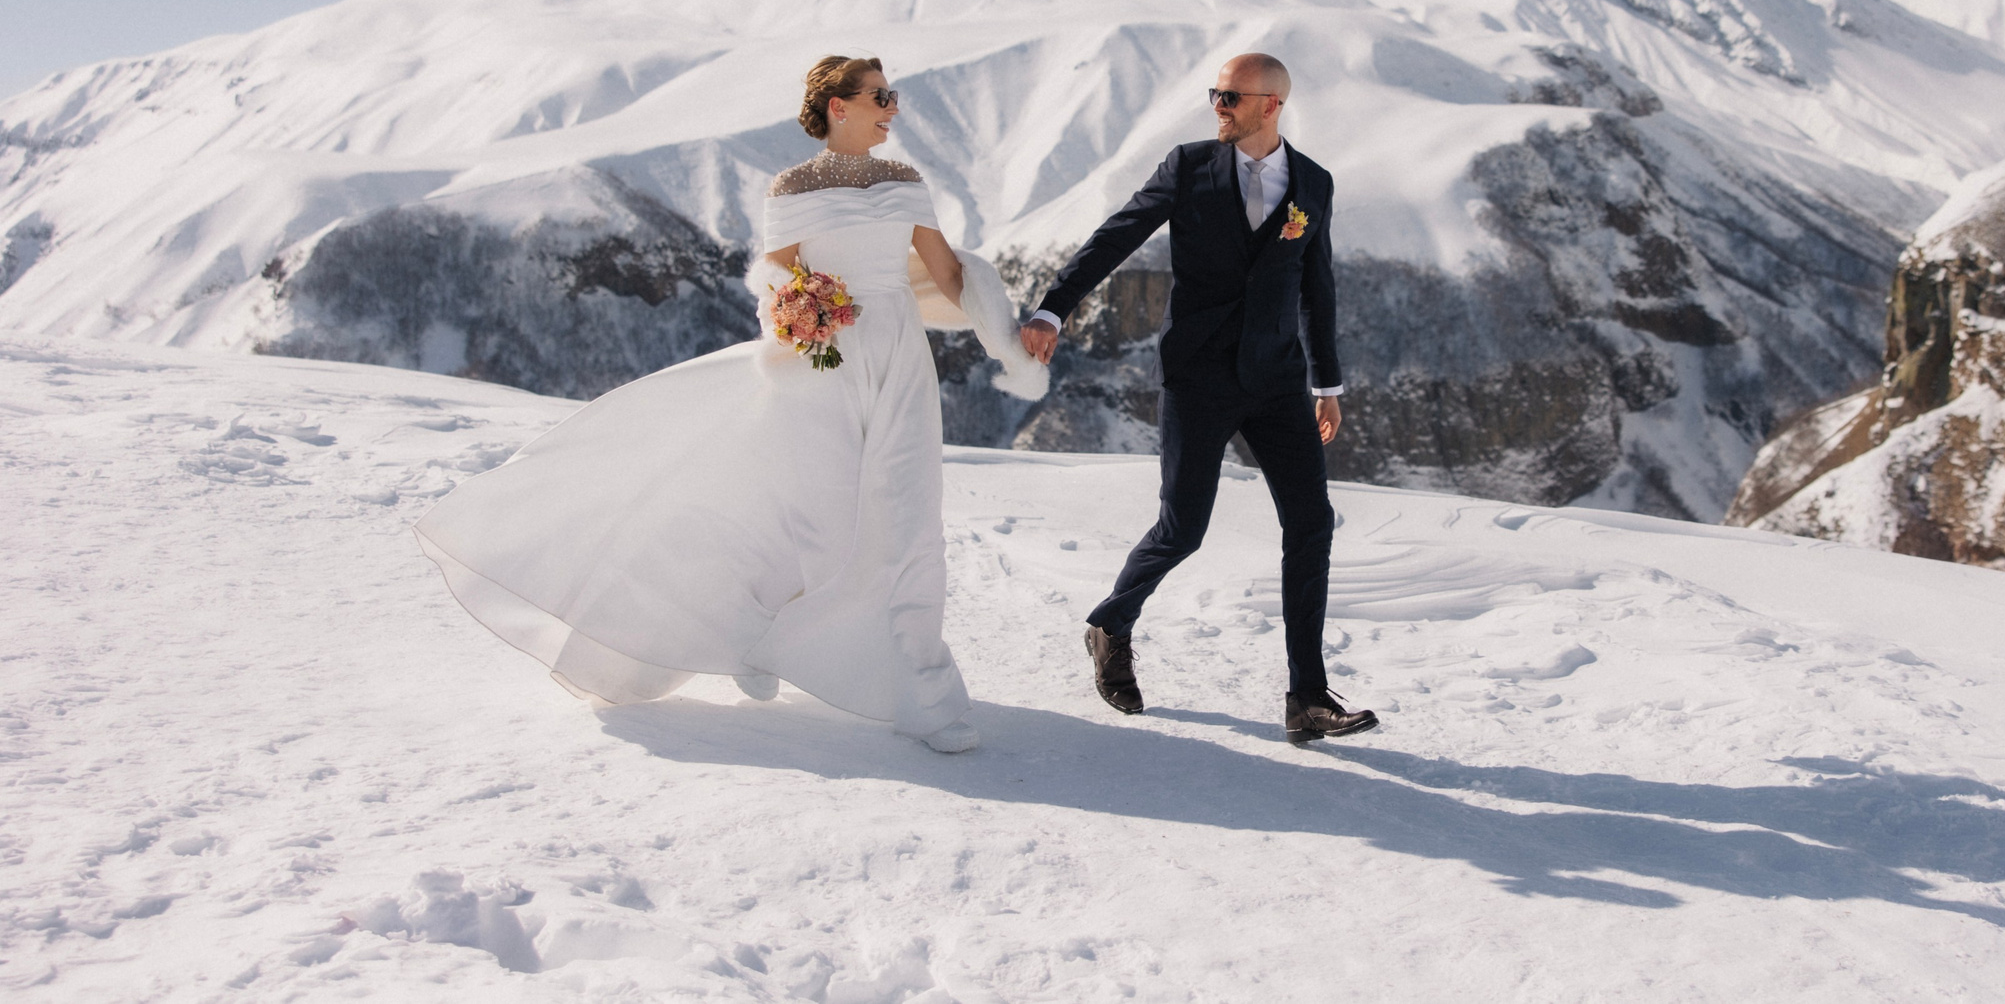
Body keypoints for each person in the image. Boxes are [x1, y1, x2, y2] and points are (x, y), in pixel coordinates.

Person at [416, 55, 1044, 754]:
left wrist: (1009, 346)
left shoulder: (905, 182)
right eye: (880, 96)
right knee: (816, 518)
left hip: (898, 359)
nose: (893, 107)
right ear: (839, 107)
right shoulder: (792, 187)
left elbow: (949, 273)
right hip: (822, 364)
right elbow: (778, 276)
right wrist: (795, 313)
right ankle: (759, 637)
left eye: (892, 95)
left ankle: (923, 696)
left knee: (908, 515)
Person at [1021, 52, 1376, 744]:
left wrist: (1326, 385)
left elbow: (1317, 288)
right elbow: (1116, 236)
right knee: (1182, 528)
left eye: (1230, 96)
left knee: (1312, 524)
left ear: (1270, 104)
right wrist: (1052, 309)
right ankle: (1110, 624)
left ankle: (1307, 696)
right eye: (1214, 94)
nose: (1217, 105)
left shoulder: (1314, 184)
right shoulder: (1187, 167)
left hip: (1278, 381)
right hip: (1198, 378)